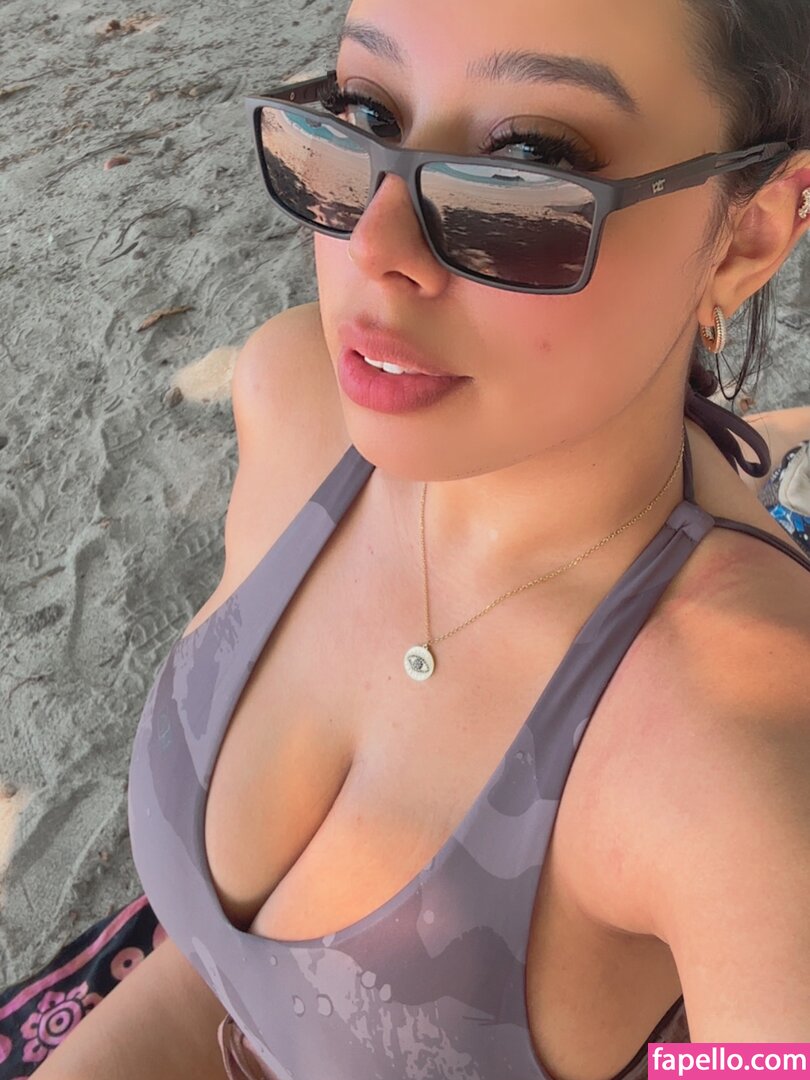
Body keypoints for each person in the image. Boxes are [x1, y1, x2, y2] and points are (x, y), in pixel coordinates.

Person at [28, 0, 810, 1078]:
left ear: (749, 233)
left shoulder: (745, 754)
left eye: (529, 163)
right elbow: (213, 969)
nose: (373, 243)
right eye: (365, 113)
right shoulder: (298, 398)